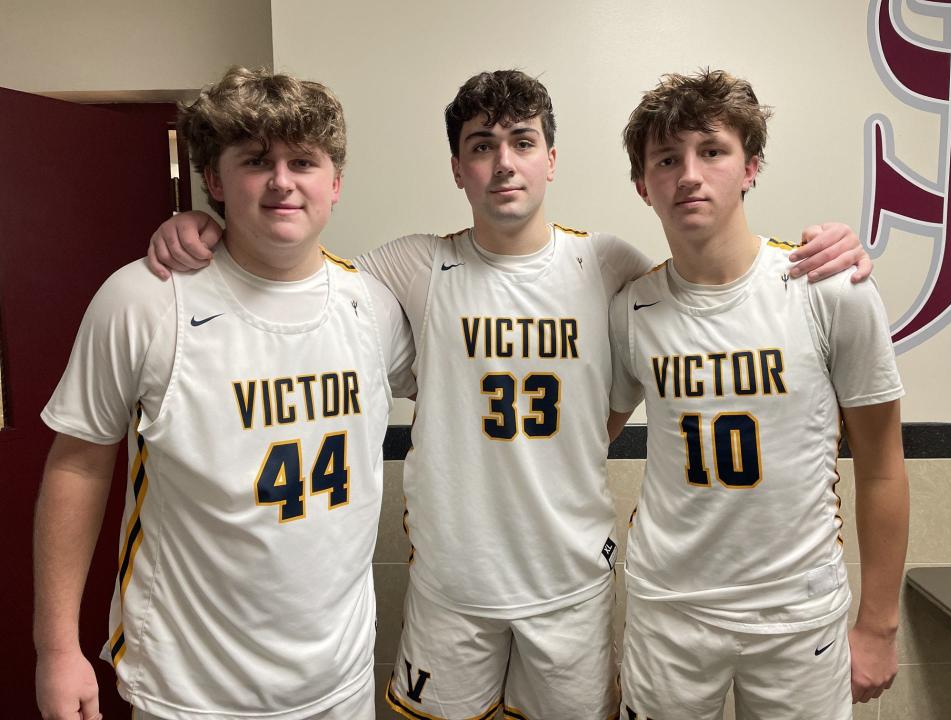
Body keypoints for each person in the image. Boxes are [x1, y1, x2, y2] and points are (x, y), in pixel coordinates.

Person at [144, 70, 872, 719]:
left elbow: (708, 291)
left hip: (572, 581)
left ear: (550, 160)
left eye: (522, 142)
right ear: (458, 167)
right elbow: (294, 271)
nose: (503, 163)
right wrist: (204, 226)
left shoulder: (609, 264)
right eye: (482, 146)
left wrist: (832, 247)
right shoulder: (414, 266)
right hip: (451, 584)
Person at [34, 67, 415, 720]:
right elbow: (78, 463)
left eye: (304, 160)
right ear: (214, 179)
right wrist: (56, 647)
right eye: (255, 161)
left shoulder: (374, 306)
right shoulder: (144, 300)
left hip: (340, 681)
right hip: (191, 688)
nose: (282, 181)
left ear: (336, 182)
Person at [608, 69, 908, 720]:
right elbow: (580, 442)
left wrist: (878, 627)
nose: (689, 173)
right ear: (643, 185)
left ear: (750, 167)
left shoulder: (830, 288)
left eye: (712, 151)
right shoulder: (632, 307)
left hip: (798, 611)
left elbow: (884, 465)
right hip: (670, 609)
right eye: (667, 158)